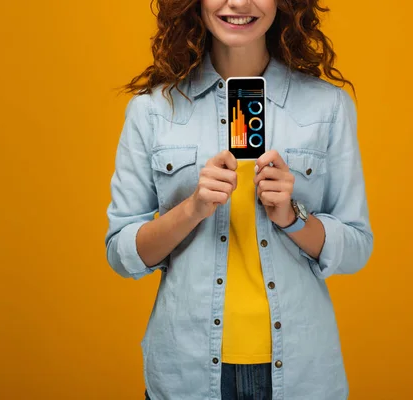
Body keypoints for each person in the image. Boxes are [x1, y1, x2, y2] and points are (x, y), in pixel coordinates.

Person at [104, 0, 374, 399]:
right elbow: (121, 252)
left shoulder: (328, 107)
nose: (239, 3)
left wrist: (291, 216)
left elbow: (356, 247)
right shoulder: (151, 111)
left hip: (301, 371)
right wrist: (193, 208)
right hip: (186, 372)